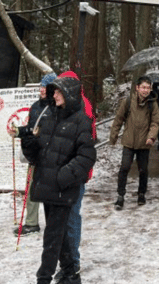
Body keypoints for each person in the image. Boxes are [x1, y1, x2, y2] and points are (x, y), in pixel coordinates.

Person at [18, 75, 96, 284]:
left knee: (52, 237)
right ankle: (71, 272)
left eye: (59, 91)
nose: (54, 94)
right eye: (53, 91)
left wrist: (63, 177)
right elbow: (39, 155)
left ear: (69, 94)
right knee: (58, 235)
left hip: (62, 188)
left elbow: (87, 156)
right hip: (47, 186)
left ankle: (43, 278)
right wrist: (28, 142)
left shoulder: (81, 121)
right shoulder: (50, 116)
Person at [53, 70, 97, 283]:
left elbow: (86, 147)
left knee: (70, 219)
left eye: (59, 88)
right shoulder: (62, 106)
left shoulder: (83, 107)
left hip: (73, 174)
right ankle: (67, 263)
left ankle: (73, 265)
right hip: (58, 174)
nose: (54, 93)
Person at [109, 76, 159, 209]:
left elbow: (156, 122)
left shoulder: (152, 103)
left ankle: (141, 193)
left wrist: (151, 137)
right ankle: (120, 196)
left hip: (144, 143)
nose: (145, 90)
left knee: (143, 170)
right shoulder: (128, 101)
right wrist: (113, 137)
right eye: (143, 87)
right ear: (137, 88)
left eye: (148, 88)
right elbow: (118, 119)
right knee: (124, 167)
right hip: (129, 142)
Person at [20, 72, 57, 236]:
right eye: (41, 86)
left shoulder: (57, 107)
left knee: (50, 191)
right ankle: (31, 223)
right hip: (34, 154)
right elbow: (30, 128)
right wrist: (20, 133)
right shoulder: (35, 106)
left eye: (45, 87)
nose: (41, 90)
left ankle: (53, 224)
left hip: (50, 156)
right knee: (31, 189)